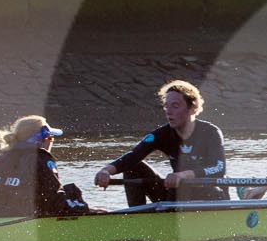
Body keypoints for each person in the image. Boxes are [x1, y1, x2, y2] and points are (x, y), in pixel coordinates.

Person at [93, 80, 229, 207]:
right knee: (133, 167)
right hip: (178, 196)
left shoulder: (211, 132)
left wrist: (182, 175)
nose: (168, 111)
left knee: (196, 188)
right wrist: (106, 171)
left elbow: (218, 168)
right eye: (166, 106)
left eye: (175, 106)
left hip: (210, 195)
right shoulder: (161, 135)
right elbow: (133, 155)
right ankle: (137, 220)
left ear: (192, 108)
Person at [0, 115, 94, 218]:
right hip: (31, 219)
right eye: (51, 138)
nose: (52, 142)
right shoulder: (41, 158)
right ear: (42, 138)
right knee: (71, 191)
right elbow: (54, 198)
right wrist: (86, 210)